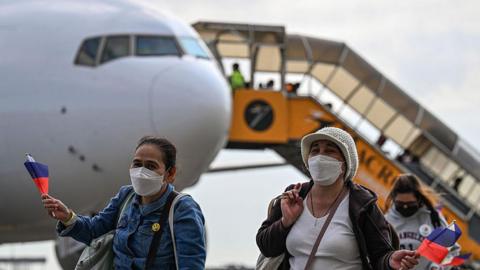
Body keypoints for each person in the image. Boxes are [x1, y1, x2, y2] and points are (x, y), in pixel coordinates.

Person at [256, 127, 419, 270]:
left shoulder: (362, 204)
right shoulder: (295, 194)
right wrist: (285, 222)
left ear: (345, 164)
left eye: (330, 150)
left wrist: (391, 261)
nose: (320, 156)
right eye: (315, 150)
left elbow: (381, 256)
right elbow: (266, 247)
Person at [41, 136, 206, 269]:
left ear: (170, 174)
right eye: (137, 164)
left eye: (151, 166)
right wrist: (68, 217)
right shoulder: (125, 197)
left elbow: (191, 263)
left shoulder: (182, 209)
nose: (141, 171)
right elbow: (93, 232)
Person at [385, 174, 459, 270]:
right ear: (394, 199)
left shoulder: (433, 217)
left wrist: (438, 267)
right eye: (400, 204)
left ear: (419, 199)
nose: (405, 207)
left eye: (410, 204)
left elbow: (452, 250)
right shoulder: (386, 221)